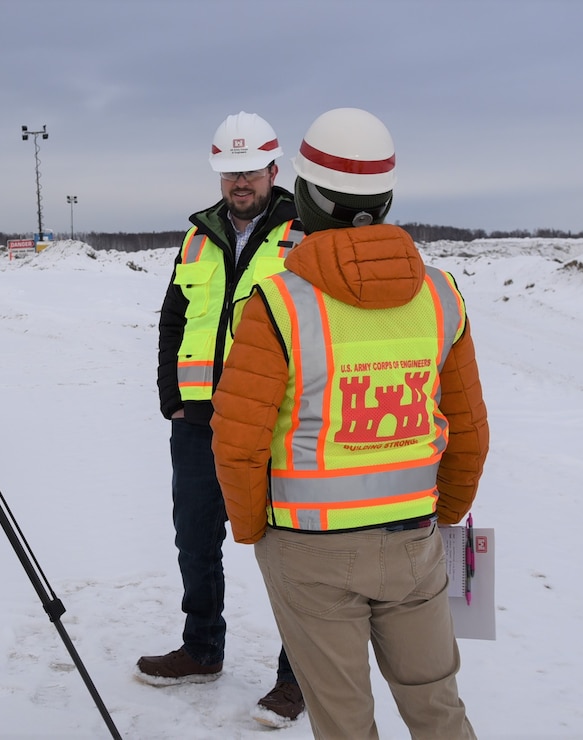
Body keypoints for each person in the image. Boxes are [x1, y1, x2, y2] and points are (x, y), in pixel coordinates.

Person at [210, 107, 490, 739]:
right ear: (385, 197)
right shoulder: (443, 296)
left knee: (343, 720)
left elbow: (237, 439)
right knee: (439, 709)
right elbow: (469, 428)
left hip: (311, 549)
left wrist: (256, 530)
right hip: (415, 544)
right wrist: (439, 517)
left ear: (304, 196)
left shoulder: (278, 303)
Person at [138, 111, 306, 726]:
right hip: (200, 419)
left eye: (251, 171)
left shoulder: (303, 232)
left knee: (292, 547)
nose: (241, 182)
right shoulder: (197, 237)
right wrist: (172, 397)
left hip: (276, 417)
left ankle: (299, 676)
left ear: (273, 169)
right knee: (195, 538)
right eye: (230, 171)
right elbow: (173, 320)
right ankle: (202, 647)